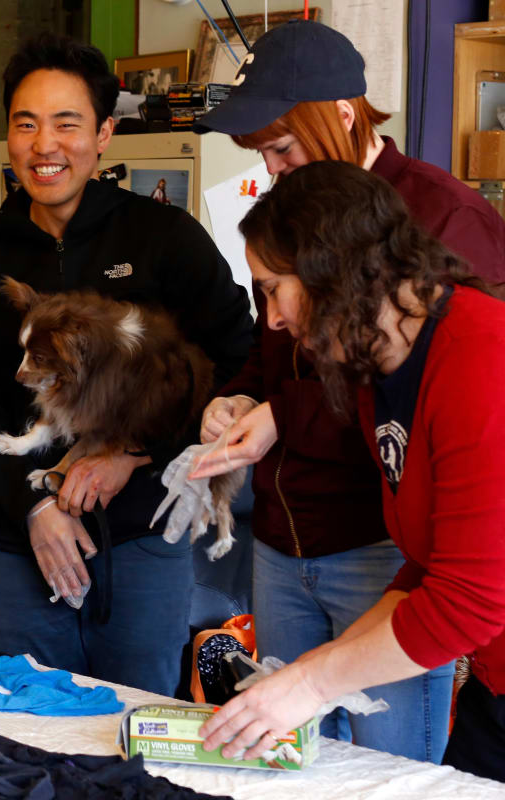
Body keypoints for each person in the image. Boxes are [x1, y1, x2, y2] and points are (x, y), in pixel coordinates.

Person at [190, 19, 505, 761]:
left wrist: (307, 688)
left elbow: (468, 596)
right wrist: (303, 676)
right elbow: (425, 569)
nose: (269, 321)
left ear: (334, 275)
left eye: (274, 293)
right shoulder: (375, 375)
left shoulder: (475, 355)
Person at [0, 33, 253, 695]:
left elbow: (236, 364)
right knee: (29, 730)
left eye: (66, 123)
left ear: (105, 134)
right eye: (26, 124)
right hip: (28, 542)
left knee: (137, 728)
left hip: (145, 536)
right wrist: (36, 506)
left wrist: (131, 450)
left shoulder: (163, 238)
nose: (44, 145)